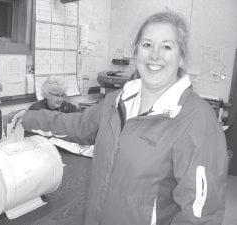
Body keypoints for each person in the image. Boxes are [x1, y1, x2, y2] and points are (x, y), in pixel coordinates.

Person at [21, 11, 228, 225]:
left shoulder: (197, 121)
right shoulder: (116, 100)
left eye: (167, 46)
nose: (154, 55)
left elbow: (200, 216)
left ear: (181, 56)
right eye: (147, 44)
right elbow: (80, 125)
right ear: (136, 50)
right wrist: (29, 118)